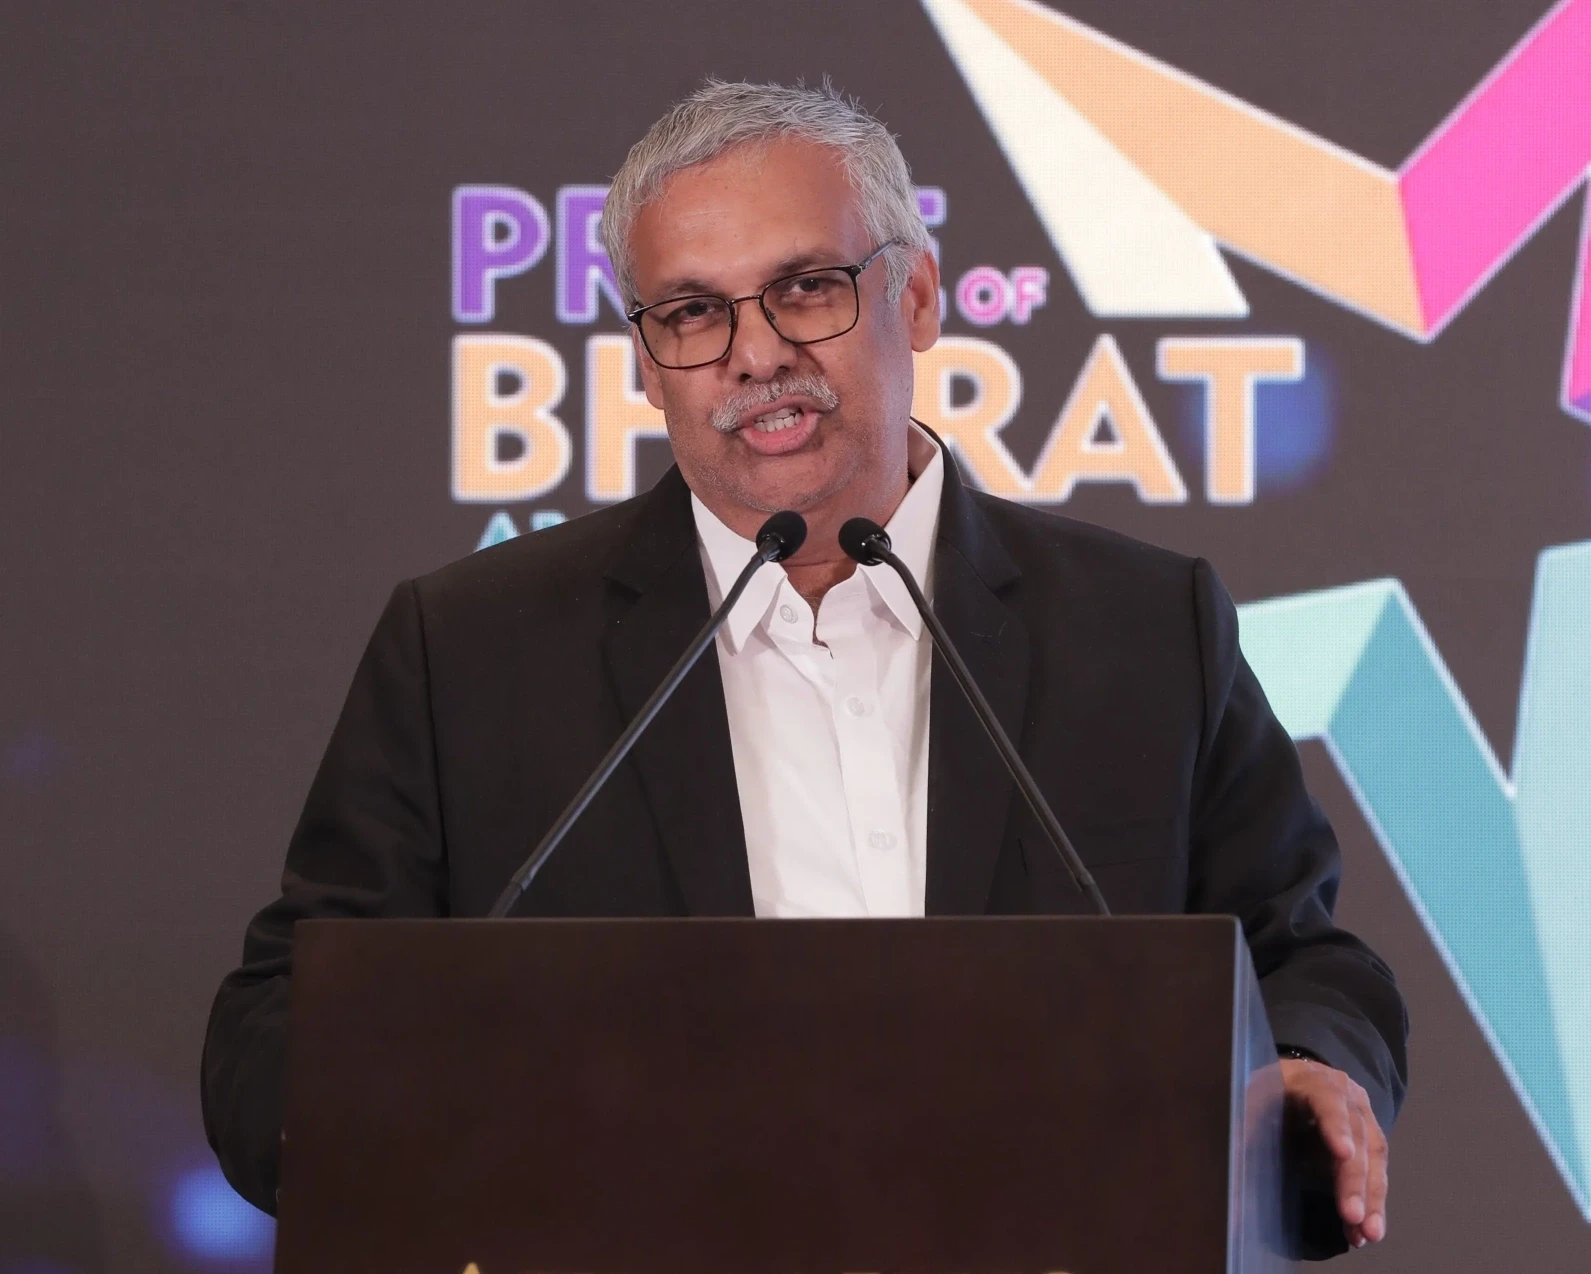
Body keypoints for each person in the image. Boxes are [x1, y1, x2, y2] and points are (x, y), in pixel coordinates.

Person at [202, 78, 1407, 1258]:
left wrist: (1309, 1066)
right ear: (646, 358)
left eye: (804, 289)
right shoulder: (473, 650)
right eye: (691, 312)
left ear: (916, 295)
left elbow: (1299, 956)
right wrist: (386, 1124)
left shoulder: (1142, 627)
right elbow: (281, 1020)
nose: (754, 353)